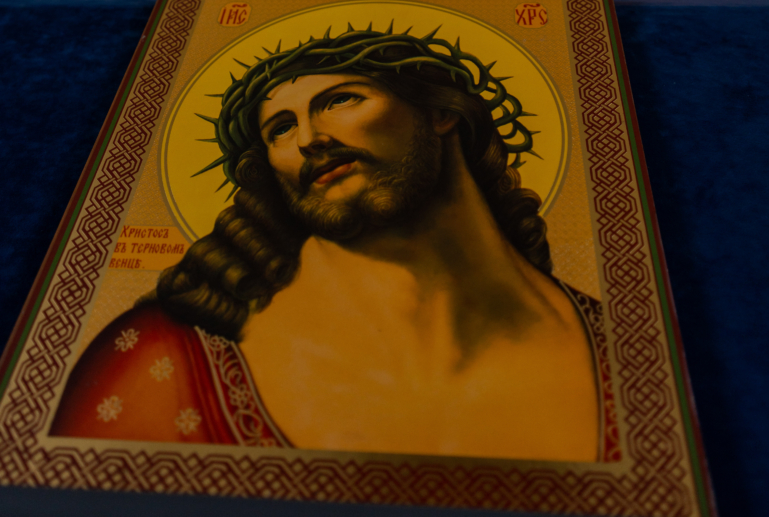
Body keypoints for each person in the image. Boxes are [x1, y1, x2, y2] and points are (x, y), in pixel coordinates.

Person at [51, 26, 617, 462]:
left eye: (340, 100)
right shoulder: (165, 359)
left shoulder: (615, 349)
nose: (308, 139)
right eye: (280, 129)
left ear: (441, 111)